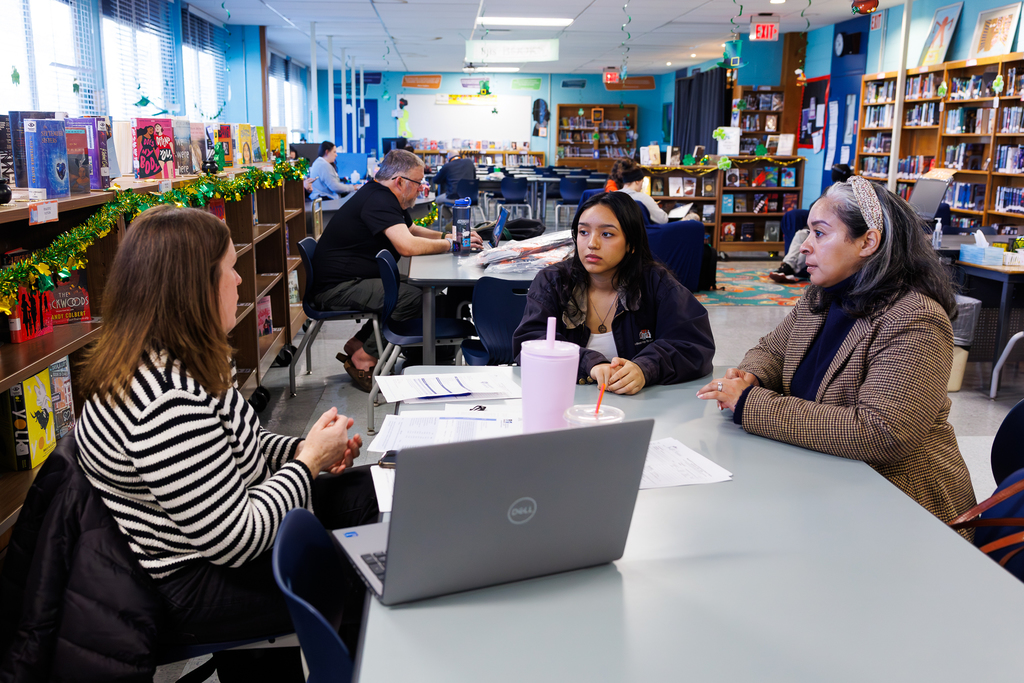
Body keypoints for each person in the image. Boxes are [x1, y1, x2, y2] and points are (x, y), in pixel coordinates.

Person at [74, 205, 379, 666]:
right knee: (366, 573)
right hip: (188, 582)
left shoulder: (179, 357)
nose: (240, 282)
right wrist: (309, 462)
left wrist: (303, 447)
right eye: (230, 271)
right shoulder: (164, 401)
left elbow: (240, 444)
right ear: (192, 289)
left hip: (214, 539)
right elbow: (238, 539)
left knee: (369, 492)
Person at [697, 177, 976, 530]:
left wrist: (750, 403)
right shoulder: (822, 296)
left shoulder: (915, 319)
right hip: (825, 481)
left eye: (820, 233)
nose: (804, 248)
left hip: (901, 507)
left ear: (868, 242)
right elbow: (771, 349)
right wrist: (751, 374)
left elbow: (881, 433)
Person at [311, 149, 482, 391]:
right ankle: (364, 356)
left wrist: (449, 236)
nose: (421, 188)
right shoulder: (378, 200)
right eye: (418, 183)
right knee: (412, 298)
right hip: (337, 287)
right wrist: (452, 244)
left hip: (352, 278)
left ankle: (358, 342)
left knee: (419, 288)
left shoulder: (381, 195)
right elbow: (407, 245)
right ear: (399, 181)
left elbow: (411, 230)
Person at [513, 192, 715, 394]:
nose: (592, 243)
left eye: (606, 234)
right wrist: (588, 364)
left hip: (639, 410)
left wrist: (645, 368)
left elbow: (693, 345)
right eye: (583, 232)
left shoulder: (656, 283)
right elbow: (530, 342)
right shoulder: (553, 282)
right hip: (563, 404)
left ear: (631, 244)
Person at [770, 164, 853, 283]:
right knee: (801, 234)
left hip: (831, 230)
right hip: (818, 228)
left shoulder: (848, 194)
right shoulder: (831, 190)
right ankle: (787, 266)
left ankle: (791, 270)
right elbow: (814, 206)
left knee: (815, 239)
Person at [613, 159, 669, 224]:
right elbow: (663, 220)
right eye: (642, 181)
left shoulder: (612, 197)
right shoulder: (643, 198)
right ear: (637, 181)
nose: (642, 185)